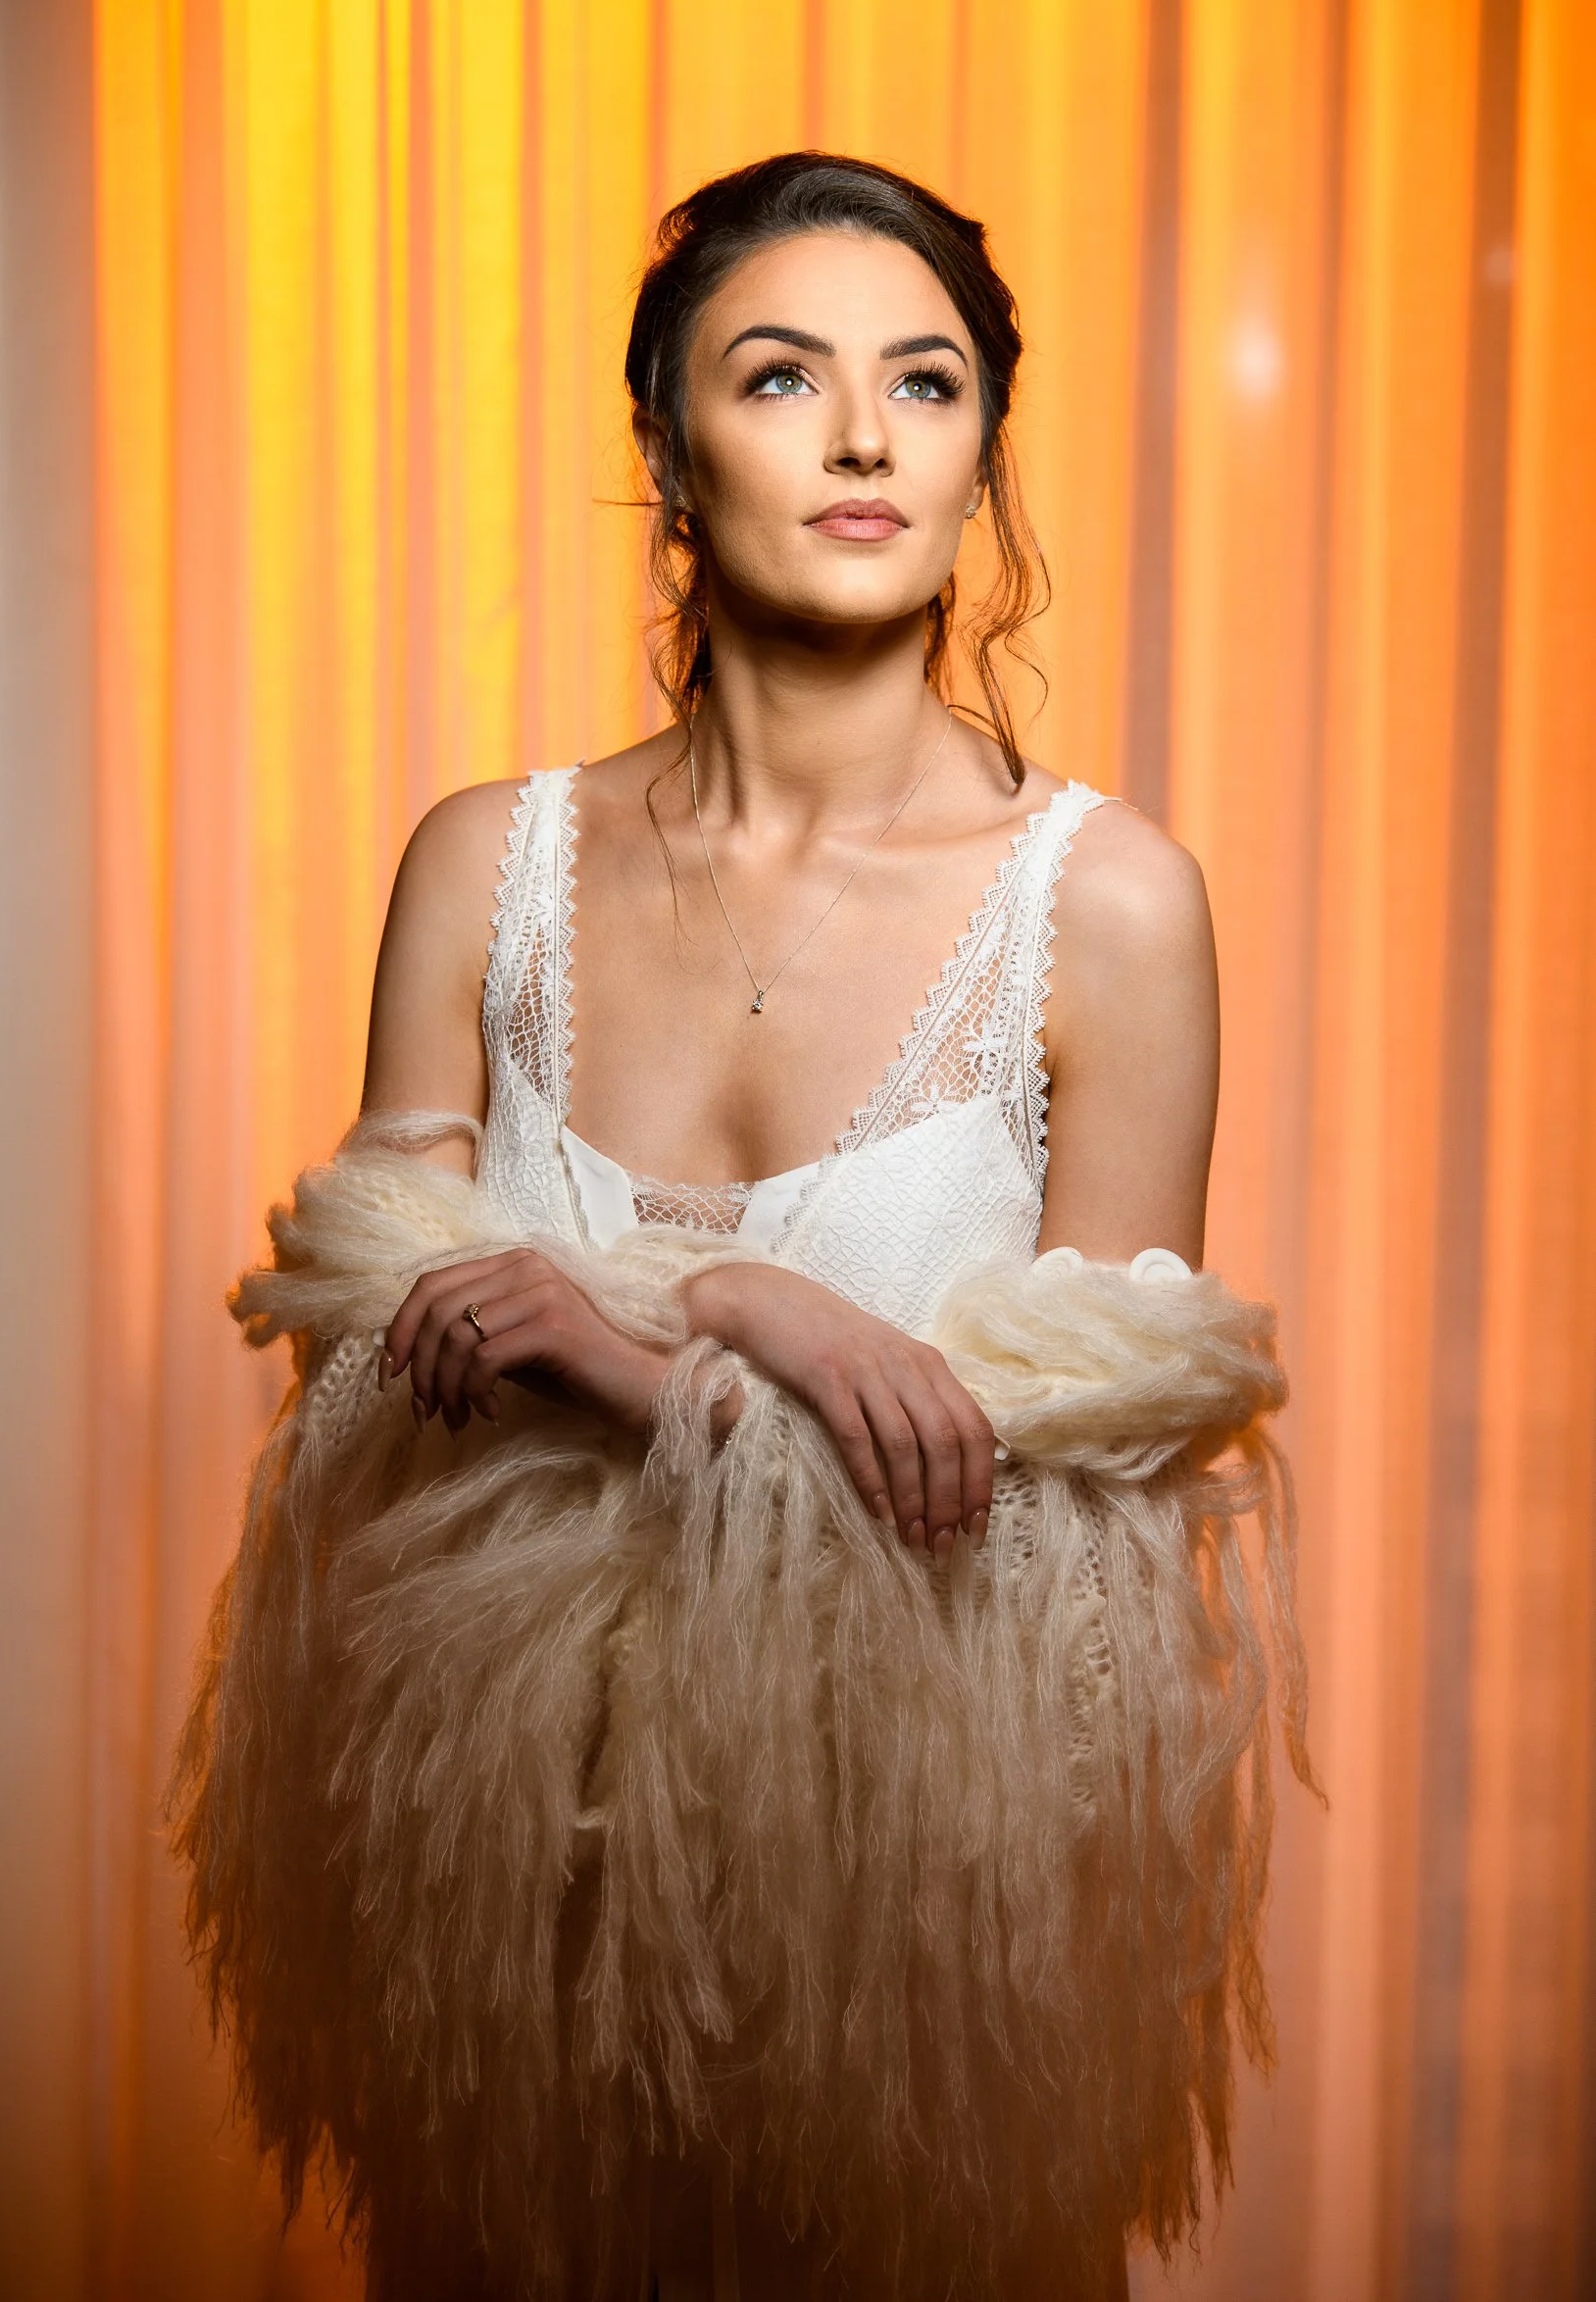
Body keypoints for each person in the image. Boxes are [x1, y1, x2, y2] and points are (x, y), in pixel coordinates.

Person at [175, 154, 1313, 2302]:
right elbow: (356, 1381)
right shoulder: (488, 863)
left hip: (902, 1984)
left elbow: (1096, 1532)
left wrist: (703, 1327)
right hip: (507, 1961)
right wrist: (722, 1328)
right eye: (782, 375)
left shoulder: (1111, 905)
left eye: (928, 382)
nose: (867, 434)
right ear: (663, 451)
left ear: (982, 450)